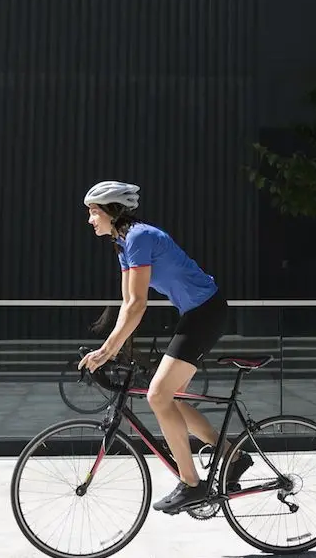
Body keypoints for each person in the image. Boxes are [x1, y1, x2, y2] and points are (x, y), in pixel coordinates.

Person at [76, 180, 253, 514]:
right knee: (169, 399)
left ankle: (192, 484)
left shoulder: (139, 238)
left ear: (112, 211)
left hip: (206, 313)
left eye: (93, 212)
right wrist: (111, 348)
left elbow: (138, 304)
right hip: (196, 314)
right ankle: (233, 455)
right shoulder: (124, 243)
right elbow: (128, 302)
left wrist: (107, 352)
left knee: (158, 396)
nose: (90, 220)